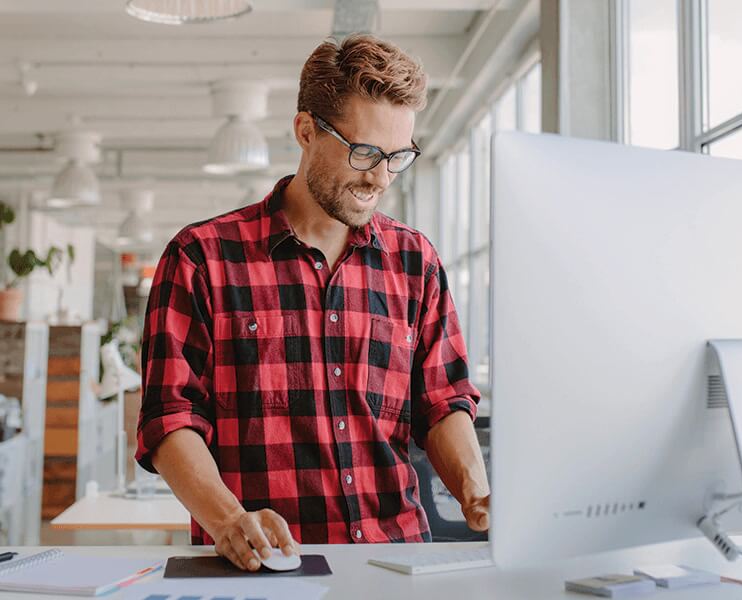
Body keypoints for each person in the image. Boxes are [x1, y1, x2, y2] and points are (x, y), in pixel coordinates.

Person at [135, 34, 489, 571]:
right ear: (306, 131)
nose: (380, 177)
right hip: (264, 567)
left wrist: (477, 494)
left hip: (396, 564)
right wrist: (229, 519)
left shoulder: (416, 261)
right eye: (365, 151)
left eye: (398, 157)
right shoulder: (201, 258)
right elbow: (170, 418)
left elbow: (443, 401)